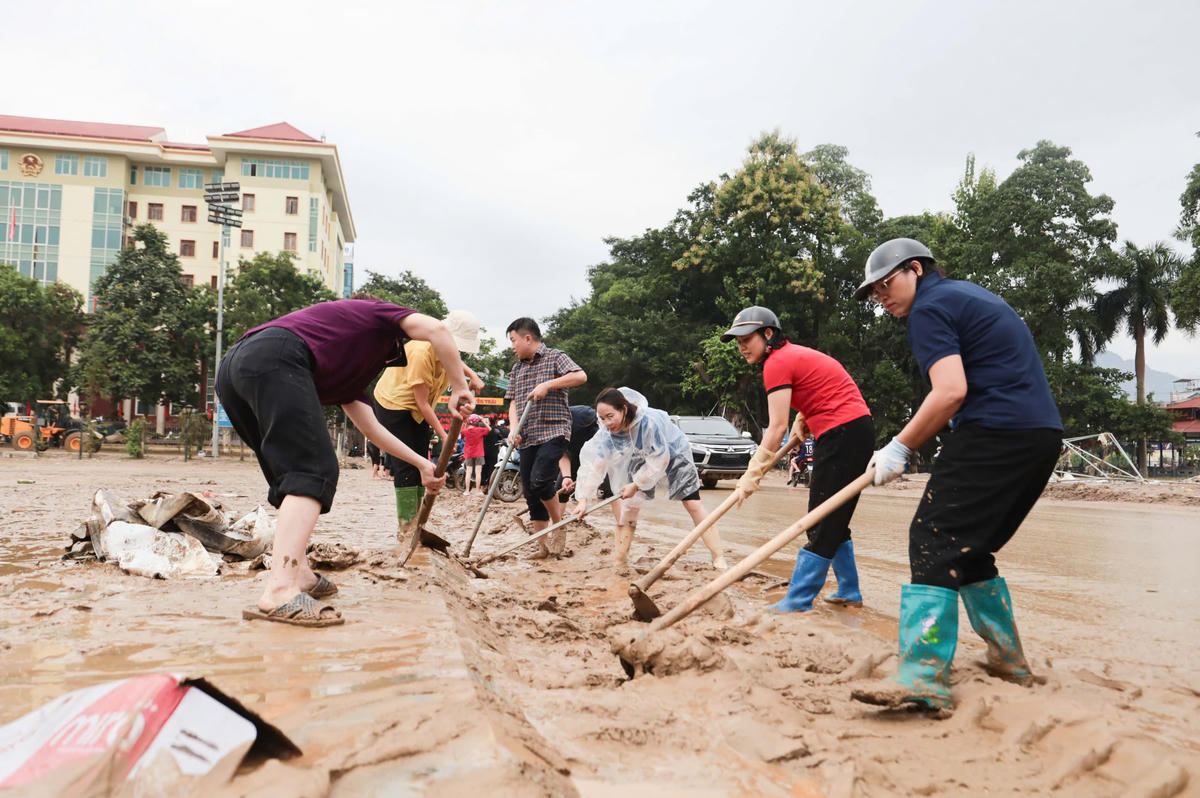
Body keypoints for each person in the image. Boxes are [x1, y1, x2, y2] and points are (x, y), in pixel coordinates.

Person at [848, 238, 1063, 712]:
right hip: (1039, 436)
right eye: (874, 292)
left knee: (933, 537)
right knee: (969, 549)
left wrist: (900, 446)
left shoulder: (929, 308)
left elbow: (949, 392)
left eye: (886, 284)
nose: (881, 297)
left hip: (997, 432)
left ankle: (922, 676)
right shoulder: (965, 295)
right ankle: (1008, 661)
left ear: (916, 269)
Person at [216, 296, 474, 627]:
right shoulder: (379, 316)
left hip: (235, 368)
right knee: (313, 470)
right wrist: (459, 386)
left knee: (289, 476)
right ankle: (279, 591)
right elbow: (438, 330)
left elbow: (371, 428)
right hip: (274, 356)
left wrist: (422, 465)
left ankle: (299, 572)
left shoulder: (348, 370)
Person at [724, 306, 874, 611]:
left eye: (746, 339)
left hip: (842, 432)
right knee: (833, 515)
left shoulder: (776, 363)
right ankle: (849, 590)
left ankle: (799, 599)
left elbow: (775, 427)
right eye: (738, 342)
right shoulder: (791, 355)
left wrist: (752, 473)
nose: (742, 347)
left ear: (768, 334)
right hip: (852, 429)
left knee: (819, 518)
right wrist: (805, 416)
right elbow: (820, 386)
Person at [574, 387, 728, 569]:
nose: (607, 422)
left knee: (692, 504)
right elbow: (597, 466)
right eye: (602, 418)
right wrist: (583, 499)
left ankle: (718, 556)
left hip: (674, 453)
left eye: (610, 416)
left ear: (623, 409)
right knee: (630, 506)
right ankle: (620, 560)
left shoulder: (648, 423)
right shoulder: (608, 433)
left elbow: (661, 458)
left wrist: (636, 484)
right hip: (639, 459)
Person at [373, 310, 485, 540]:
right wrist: (445, 436)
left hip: (419, 408)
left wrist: (472, 375)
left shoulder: (445, 349)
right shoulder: (421, 352)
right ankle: (406, 527)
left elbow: (453, 360)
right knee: (406, 466)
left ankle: (419, 521)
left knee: (423, 464)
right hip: (394, 405)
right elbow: (422, 403)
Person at [505, 317, 587, 558]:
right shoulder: (517, 368)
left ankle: (558, 524)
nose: (512, 346)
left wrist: (548, 385)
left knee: (541, 481)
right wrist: (513, 428)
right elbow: (513, 402)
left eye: (513, 340)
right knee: (531, 493)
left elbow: (580, 376)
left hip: (554, 430)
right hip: (527, 436)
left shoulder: (555, 357)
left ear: (527, 338)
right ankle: (543, 548)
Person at [557, 404, 600, 501]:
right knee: (562, 490)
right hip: (575, 455)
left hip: (599, 455)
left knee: (610, 490)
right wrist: (566, 476)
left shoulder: (581, 414)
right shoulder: (548, 433)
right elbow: (563, 453)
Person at [461, 414, 489, 494]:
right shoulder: (480, 430)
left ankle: (467, 491)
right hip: (479, 453)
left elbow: (461, 434)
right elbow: (489, 429)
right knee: (478, 473)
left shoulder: (465, 431)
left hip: (468, 454)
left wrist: (464, 423)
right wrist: (483, 420)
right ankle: (477, 490)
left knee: (468, 472)